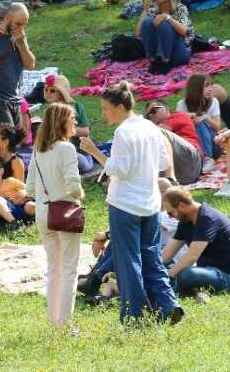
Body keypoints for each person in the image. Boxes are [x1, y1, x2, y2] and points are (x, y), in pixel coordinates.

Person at [79, 82, 184, 325]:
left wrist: (94, 151)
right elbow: (161, 162)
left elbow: (119, 170)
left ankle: (135, 315)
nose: (103, 113)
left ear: (119, 107)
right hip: (149, 203)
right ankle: (168, 304)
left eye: (106, 108)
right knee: (151, 258)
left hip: (125, 205)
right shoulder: (149, 127)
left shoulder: (123, 132)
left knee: (129, 262)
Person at [26, 102, 85, 325]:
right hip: (65, 211)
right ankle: (65, 324)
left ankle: (54, 322)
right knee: (69, 269)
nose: (75, 123)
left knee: (54, 269)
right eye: (72, 119)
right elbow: (73, 183)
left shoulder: (38, 150)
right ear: (62, 122)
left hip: (43, 212)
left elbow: (30, 187)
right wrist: (79, 195)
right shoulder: (66, 148)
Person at [160, 186, 230, 297]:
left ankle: (168, 289)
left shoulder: (207, 218)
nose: (170, 217)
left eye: (171, 213)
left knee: (187, 274)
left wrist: (167, 277)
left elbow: (192, 257)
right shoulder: (185, 221)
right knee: (163, 264)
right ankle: (178, 289)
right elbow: (167, 255)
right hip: (208, 272)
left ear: (181, 206)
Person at [136, 0, 193, 74]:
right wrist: (145, 10)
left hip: (178, 52)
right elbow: (138, 34)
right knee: (147, 22)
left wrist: (168, 18)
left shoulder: (180, 8)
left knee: (164, 25)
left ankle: (165, 61)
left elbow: (185, 32)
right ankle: (154, 61)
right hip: (158, 54)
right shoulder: (154, 10)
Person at [176, 73, 223, 162]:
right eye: (206, 86)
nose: (210, 89)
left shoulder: (213, 102)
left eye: (211, 85)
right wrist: (189, 118)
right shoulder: (182, 104)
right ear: (196, 88)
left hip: (213, 146)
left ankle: (208, 158)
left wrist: (205, 117)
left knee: (200, 122)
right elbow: (179, 129)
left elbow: (217, 127)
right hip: (193, 144)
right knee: (196, 122)